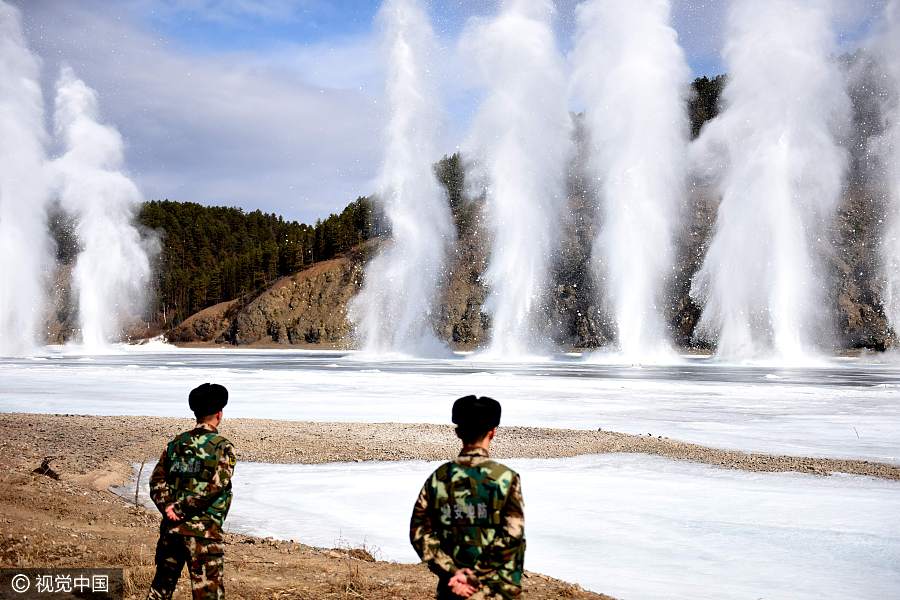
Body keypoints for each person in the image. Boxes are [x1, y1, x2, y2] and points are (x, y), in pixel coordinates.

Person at [410, 395, 526, 599]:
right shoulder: (506, 479)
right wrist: (476, 575)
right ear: (493, 432)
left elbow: (419, 534)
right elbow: (512, 536)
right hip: (498, 591)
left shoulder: (439, 478)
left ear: (458, 433)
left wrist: (454, 572)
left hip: (453, 590)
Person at [147, 383, 236, 600]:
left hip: (172, 531)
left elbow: (156, 481)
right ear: (219, 414)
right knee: (207, 594)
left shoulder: (176, 444)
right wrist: (179, 508)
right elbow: (215, 487)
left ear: (196, 413)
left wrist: (169, 507)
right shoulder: (222, 447)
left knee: (160, 590)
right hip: (204, 534)